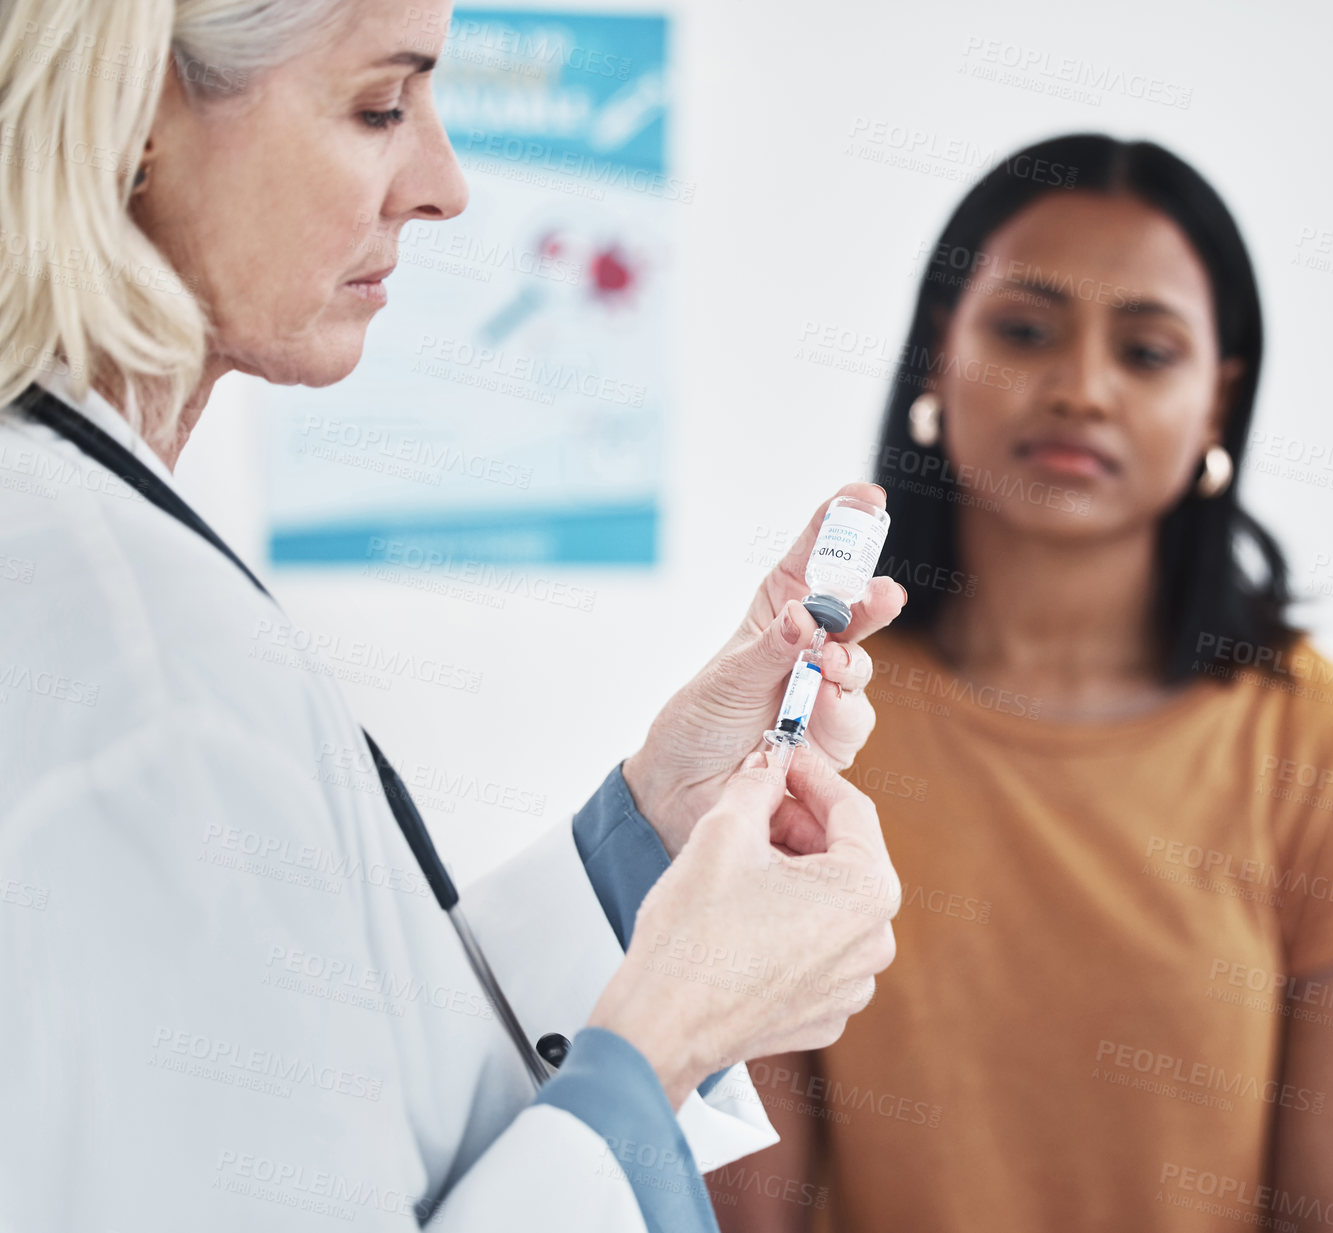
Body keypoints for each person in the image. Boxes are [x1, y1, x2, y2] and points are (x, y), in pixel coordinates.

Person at [0, 1, 905, 1229]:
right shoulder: (137, 664)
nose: (445, 185)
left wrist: (653, 833)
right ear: (138, 119)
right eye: (381, 105)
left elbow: (339, 1076)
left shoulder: (104, 551)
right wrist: (673, 1033)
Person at [714, 136, 1333, 1232]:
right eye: (1023, 331)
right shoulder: (819, 710)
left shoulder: (1326, 747)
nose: (1081, 388)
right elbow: (743, 1198)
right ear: (934, 360)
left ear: (1217, 404)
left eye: (1147, 352)